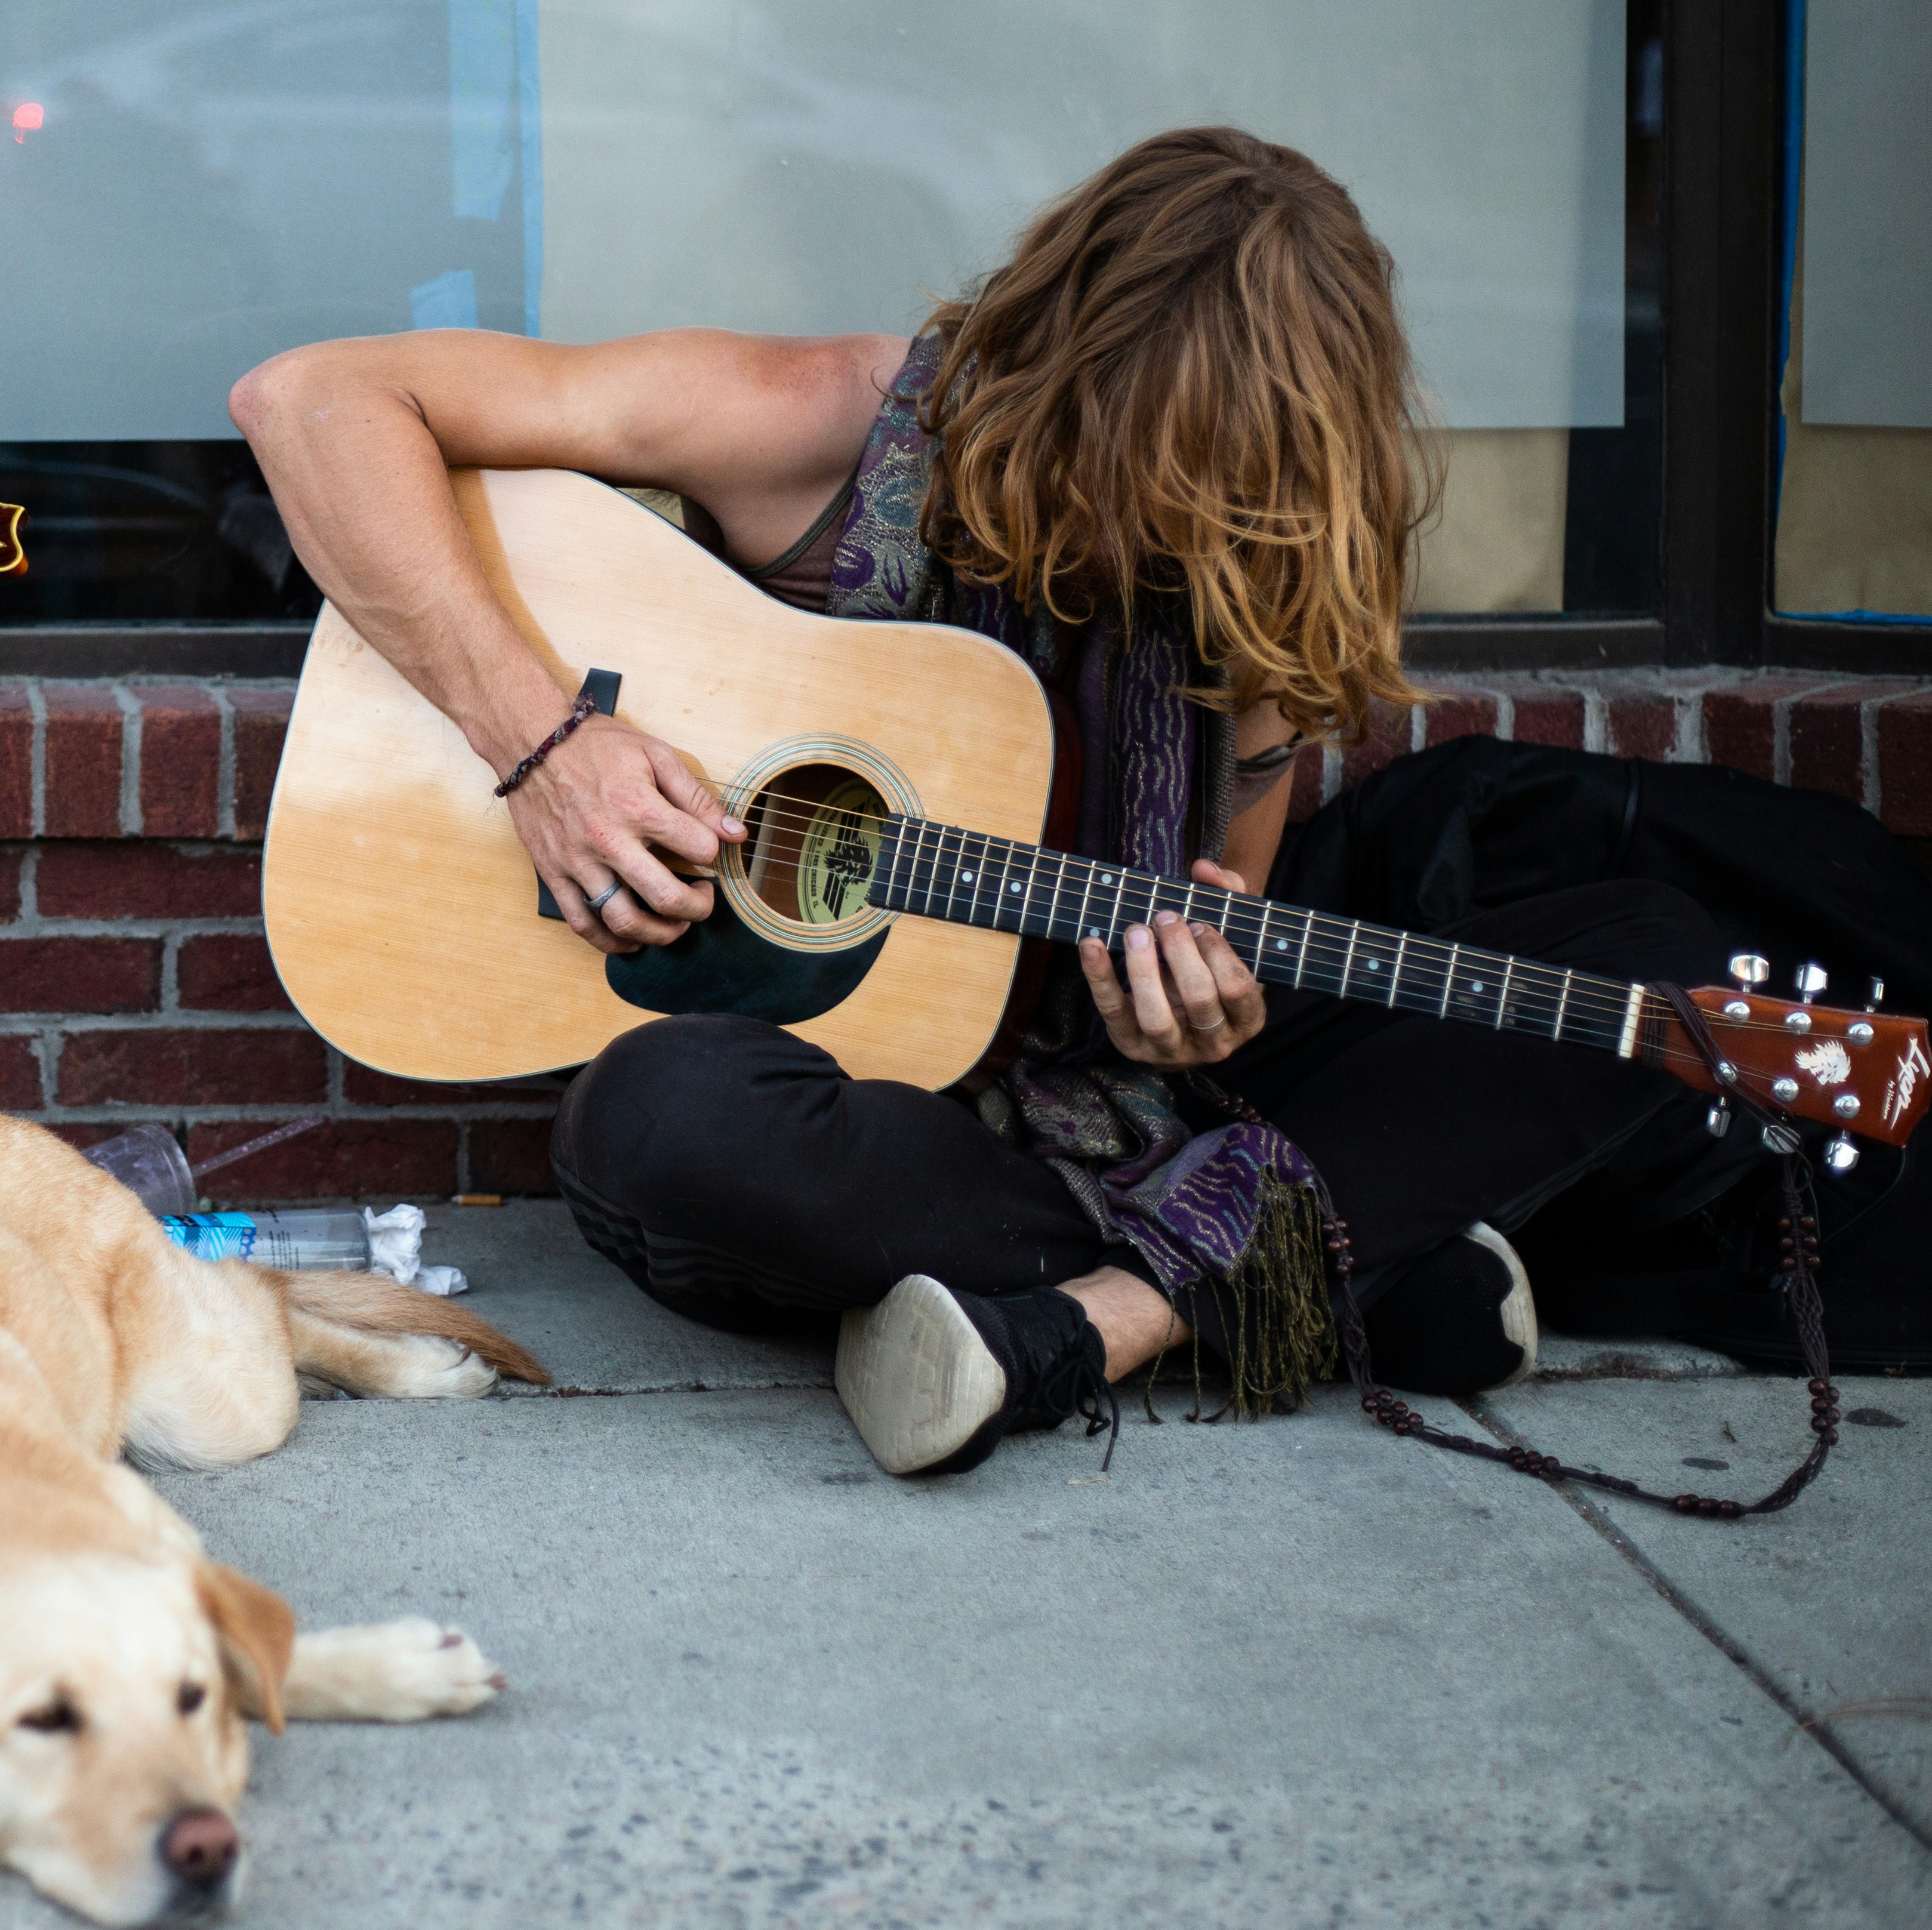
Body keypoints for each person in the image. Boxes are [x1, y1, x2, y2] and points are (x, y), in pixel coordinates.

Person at [230, 126, 1834, 1479]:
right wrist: (542, 743)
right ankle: (1322, 1261)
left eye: (1208, 492)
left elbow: (1223, 948)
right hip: (885, 1130)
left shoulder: (1255, 577)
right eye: (1132, 458)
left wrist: (1190, 1016)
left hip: (1103, 1106)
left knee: (1666, 956)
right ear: (1065, 353)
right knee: (665, 1122)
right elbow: (311, 403)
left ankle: (1092, 1331)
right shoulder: (825, 422)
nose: (1148, 525)